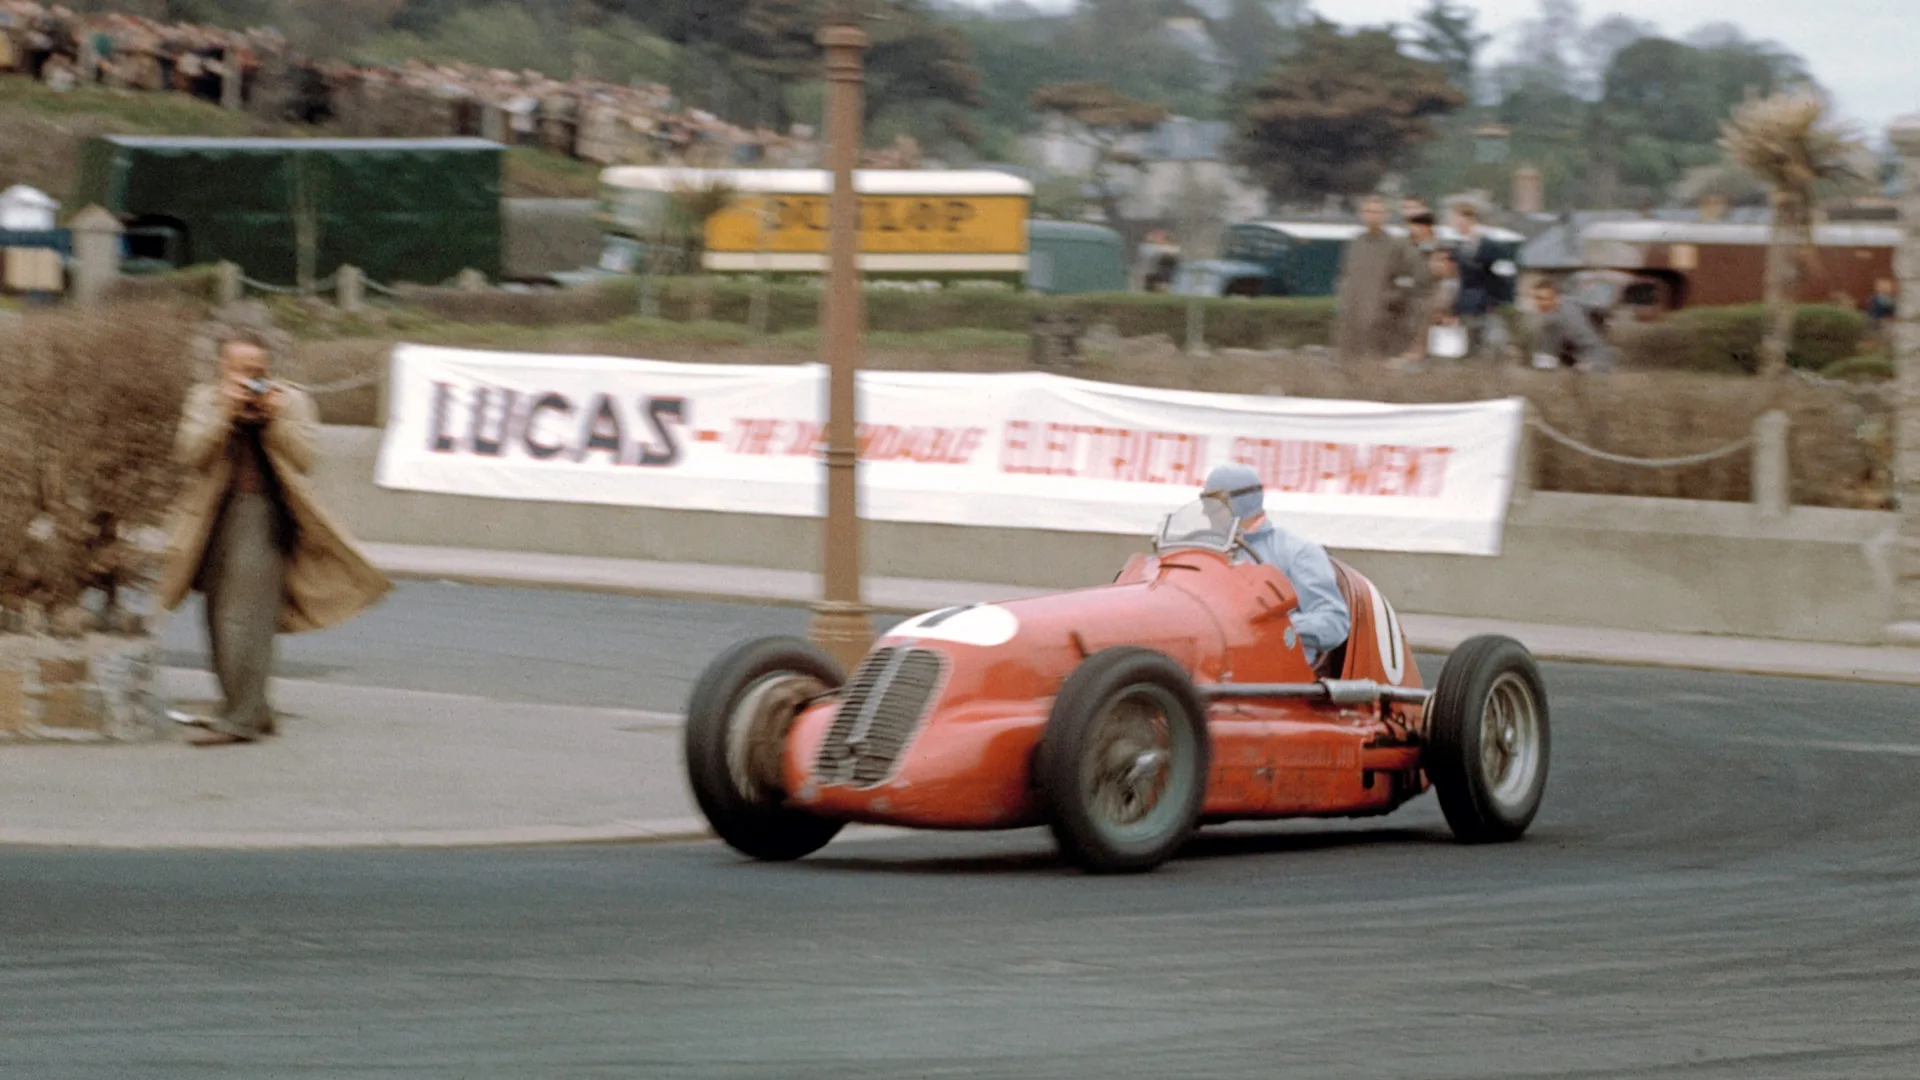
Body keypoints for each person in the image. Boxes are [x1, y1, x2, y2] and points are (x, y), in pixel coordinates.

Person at [158, 327, 391, 745]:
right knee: (216, 617)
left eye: (258, 370)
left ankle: (240, 720)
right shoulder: (204, 399)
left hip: (263, 514)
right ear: (222, 368)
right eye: (241, 370)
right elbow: (189, 453)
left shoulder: (291, 400)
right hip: (211, 518)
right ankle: (250, 708)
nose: (250, 379)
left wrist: (273, 420)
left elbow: (305, 459)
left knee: (245, 620)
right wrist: (225, 415)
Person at [1201, 464, 1350, 668]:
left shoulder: (1297, 552)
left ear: (1238, 503)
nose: (1204, 511)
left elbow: (1334, 623)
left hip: (1274, 672)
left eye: (1212, 502)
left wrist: (1269, 628)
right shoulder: (1205, 550)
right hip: (1212, 664)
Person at [1334, 195, 1422, 364]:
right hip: (1352, 318)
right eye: (1368, 211)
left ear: (1385, 215)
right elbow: (1345, 276)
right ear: (1362, 214)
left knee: (1376, 364)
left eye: (1377, 211)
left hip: (1382, 320)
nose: (1373, 215)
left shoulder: (1397, 245)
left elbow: (1408, 280)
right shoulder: (1356, 243)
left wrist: (1388, 300)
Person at [1448, 202, 1513, 362]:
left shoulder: (1490, 247)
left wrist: (1497, 301)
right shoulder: (1458, 249)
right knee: (1468, 349)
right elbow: (1459, 280)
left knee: (1491, 347)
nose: (1455, 224)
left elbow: (1504, 276)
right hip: (1466, 306)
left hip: (1487, 305)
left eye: (1458, 219)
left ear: (1469, 219)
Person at [1527, 279, 1614, 372]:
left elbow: (1589, 343)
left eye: (1543, 298)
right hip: (1575, 359)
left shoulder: (1569, 316)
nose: (1539, 303)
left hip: (1594, 361)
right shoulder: (1552, 313)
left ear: (1556, 298)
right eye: (1536, 298)